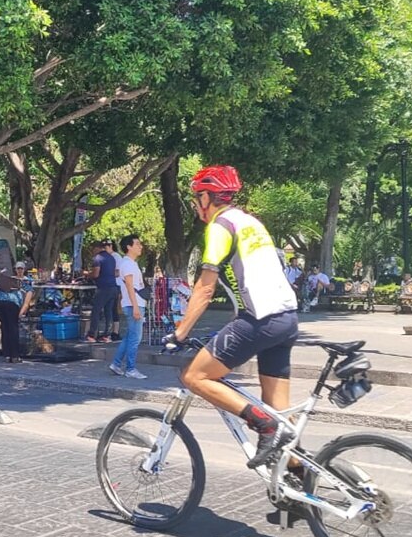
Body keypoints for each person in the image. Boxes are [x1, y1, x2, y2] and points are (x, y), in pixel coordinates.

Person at [167, 165, 299, 468]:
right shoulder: (251, 222)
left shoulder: (220, 226)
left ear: (206, 197)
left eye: (197, 197)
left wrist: (180, 332)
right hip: (286, 319)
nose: (195, 204)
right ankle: (300, 479)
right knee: (280, 411)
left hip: (260, 319)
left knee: (193, 376)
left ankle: (264, 425)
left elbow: (204, 288)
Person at [110, 234, 148, 380]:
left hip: (133, 303)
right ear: (129, 247)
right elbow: (130, 287)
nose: (140, 246)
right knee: (135, 339)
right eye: (137, 244)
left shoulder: (130, 263)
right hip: (134, 304)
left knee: (129, 337)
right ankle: (131, 368)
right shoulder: (128, 264)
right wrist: (136, 307)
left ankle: (116, 363)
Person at [0, 269, 34, 363]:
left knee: (5, 328)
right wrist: (20, 314)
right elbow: (26, 303)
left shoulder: (8, 280)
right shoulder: (27, 286)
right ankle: (15, 356)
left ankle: (7, 355)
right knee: (13, 329)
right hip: (12, 304)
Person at [85, 240, 119, 343]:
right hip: (113, 287)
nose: (92, 252)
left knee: (96, 310)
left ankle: (92, 335)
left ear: (97, 248)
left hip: (103, 288)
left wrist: (86, 274)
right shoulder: (111, 258)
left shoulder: (98, 258)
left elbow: (96, 274)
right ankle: (106, 335)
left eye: (92, 249)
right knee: (108, 311)